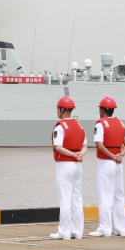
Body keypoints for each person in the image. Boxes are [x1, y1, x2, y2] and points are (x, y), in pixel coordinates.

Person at [89, 96, 125, 237]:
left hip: (106, 162)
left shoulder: (100, 124)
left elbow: (100, 145)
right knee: (119, 195)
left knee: (105, 195)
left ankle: (105, 228)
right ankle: (121, 228)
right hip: (118, 163)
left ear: (102, 110)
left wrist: (112, 156)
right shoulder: (121, 123)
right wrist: (119, 155)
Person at [50, 96, 85, 240]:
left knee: (65, 198)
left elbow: (58, 147)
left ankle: (64, 231)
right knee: (76, 198)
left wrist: (72, 154)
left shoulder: (60, 127)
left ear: (62, 109)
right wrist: (79, 154)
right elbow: (84, 146)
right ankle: (77, 231)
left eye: (58, 109)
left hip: (65, 164)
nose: (57, 111)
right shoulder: (79, 125)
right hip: (78, 165)